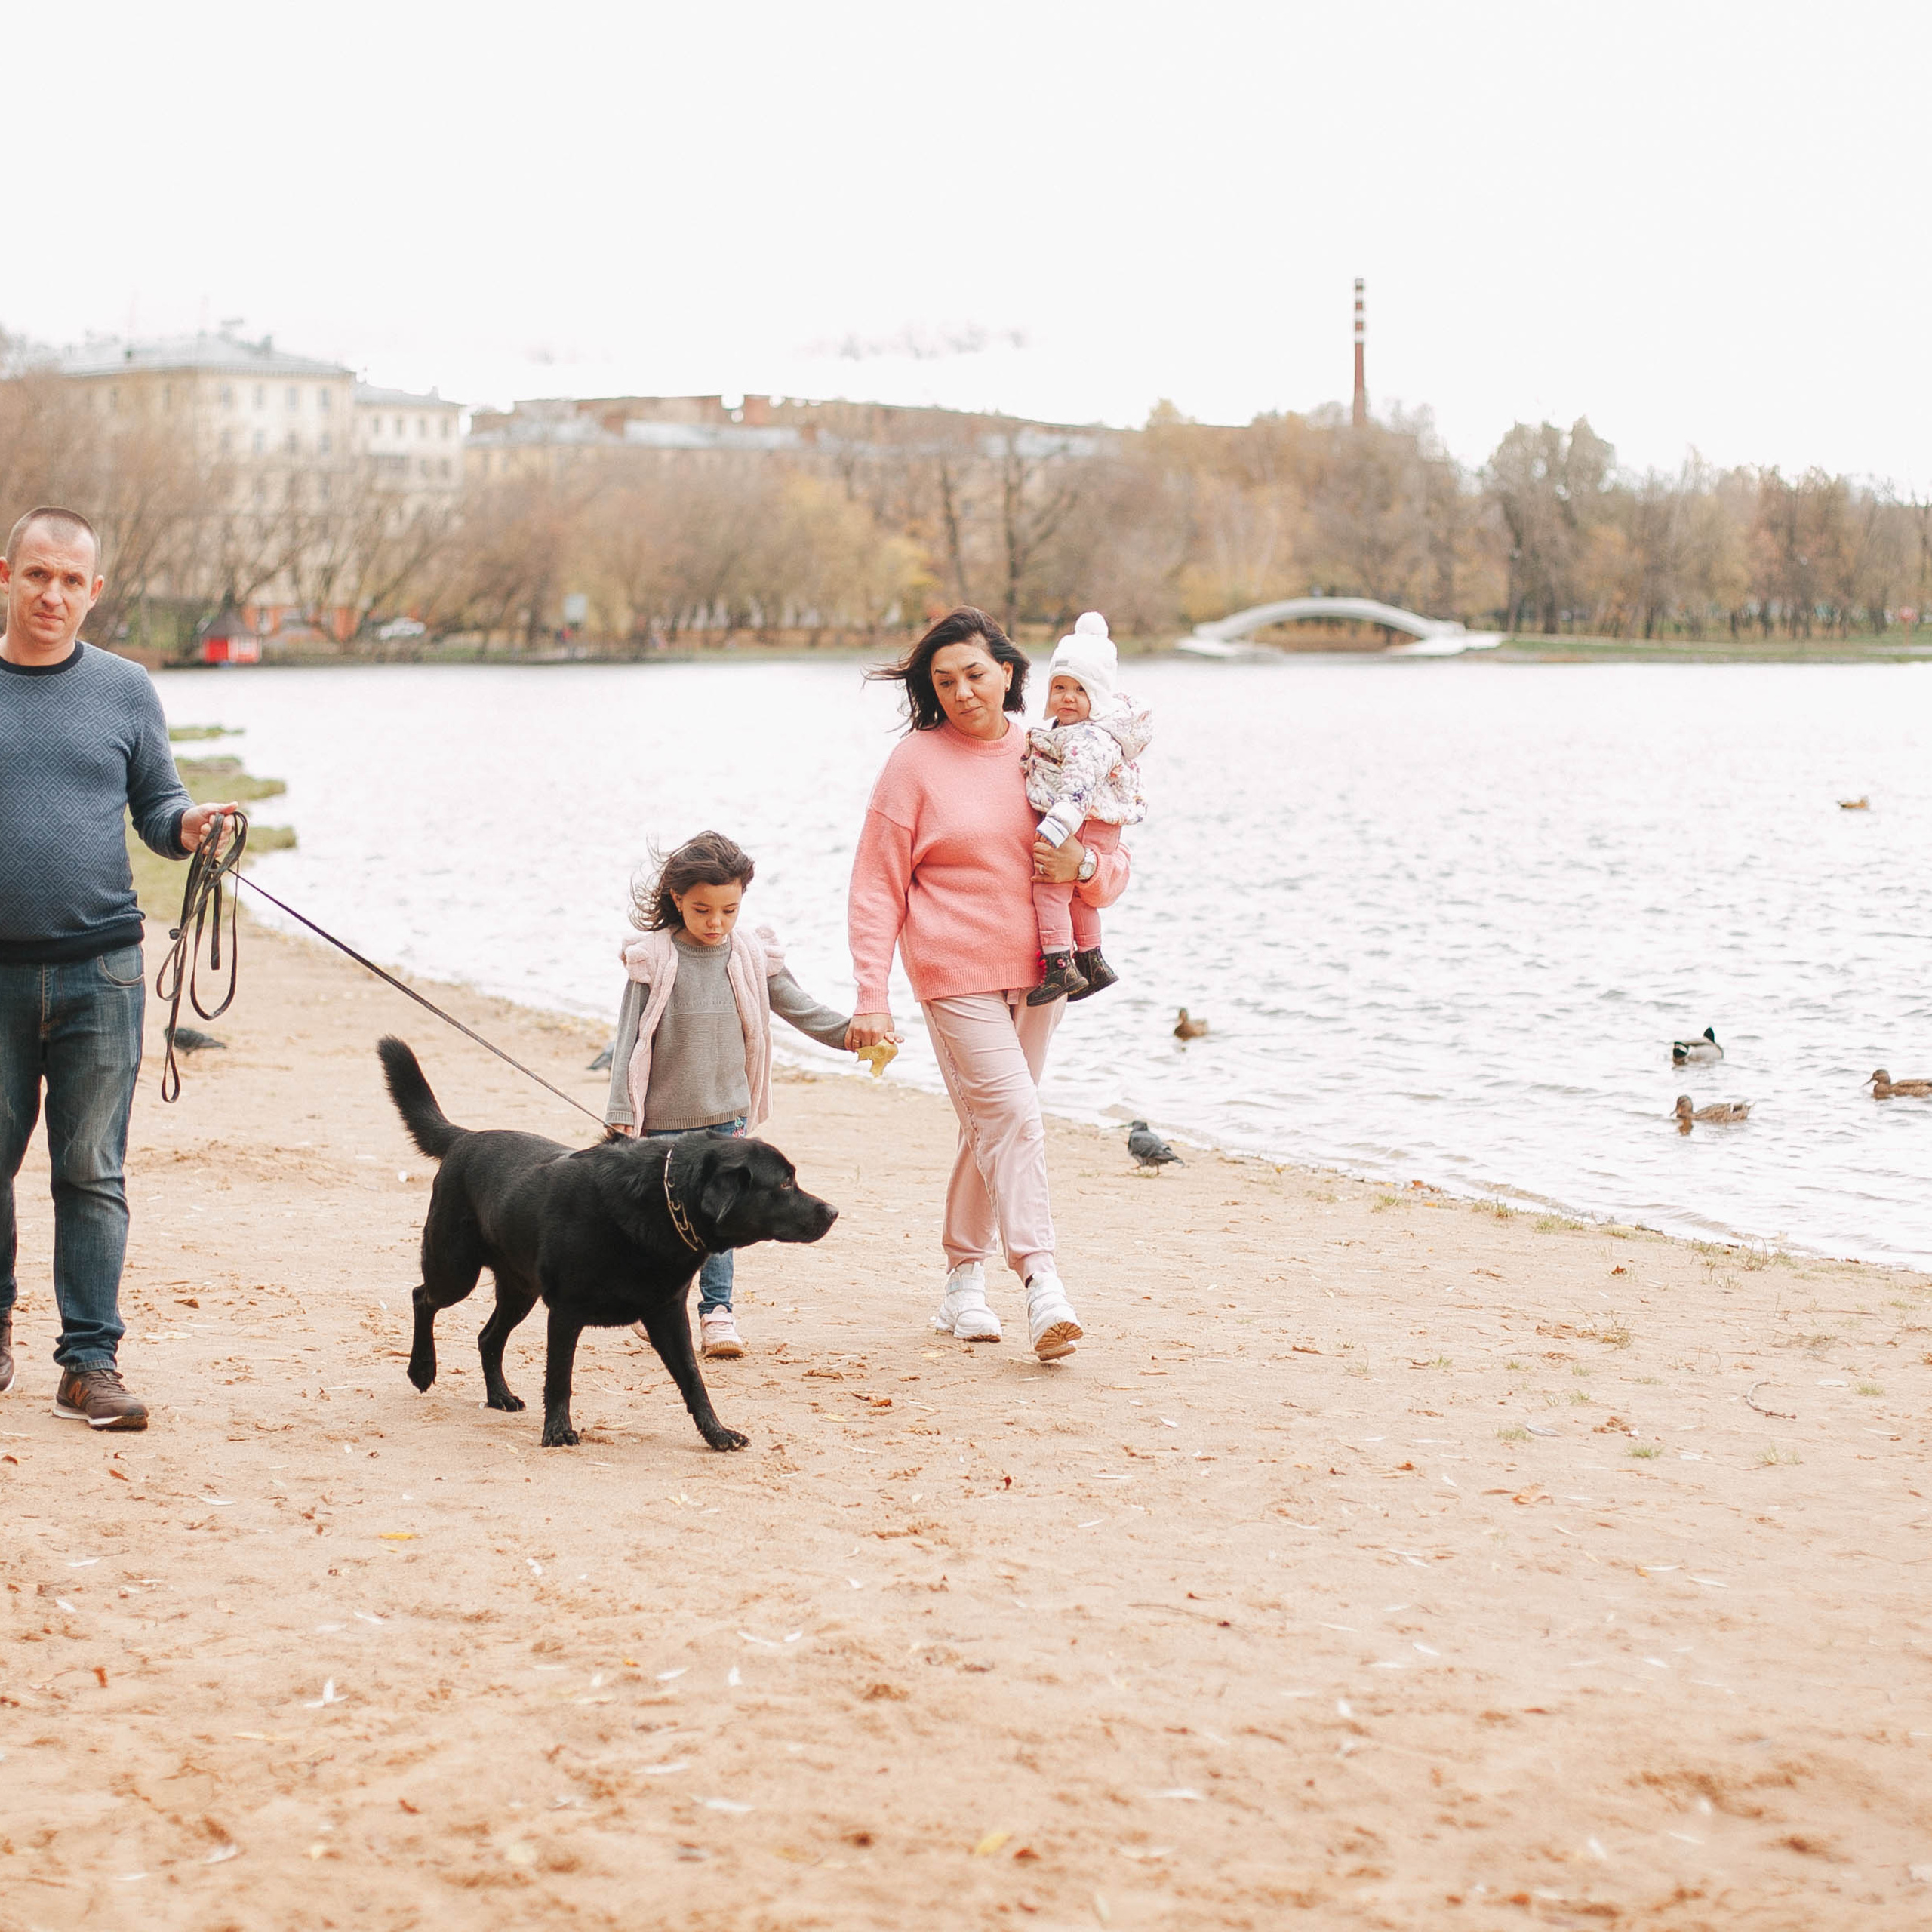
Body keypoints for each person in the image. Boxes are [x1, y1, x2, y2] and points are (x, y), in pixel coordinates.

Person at [0, 506, 236, 1429]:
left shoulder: (126, 689)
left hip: (103, 972)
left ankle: (89, 1362)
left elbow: (158, 806)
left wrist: (190, 828)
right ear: (6, 575)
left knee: (91, 1171)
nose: (53, 594)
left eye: (72, 581)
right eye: (37, 576)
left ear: (94, 591)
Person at [848, 606, 1131, 1360]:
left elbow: (1110, 864)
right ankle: (1042, 1282)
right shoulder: (915, 763)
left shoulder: (1055, 752)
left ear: (1008, 672)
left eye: (974, 674)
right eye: (943, 682)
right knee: (1013, 1115)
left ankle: (961, 1282)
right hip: (952, 973)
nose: (962, 691)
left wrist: (1087, 870)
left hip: (1045, 971)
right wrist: (871, 994)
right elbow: (877, 887)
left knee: (995, 1125)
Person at [602, 830, 854, 1358]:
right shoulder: (655, 958)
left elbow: (798, 1005)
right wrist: (621, 1115)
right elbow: (630, 1038)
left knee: (723, 1220)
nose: (716, 922)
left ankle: (718, 1313)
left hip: (728, 1118)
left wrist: (851, 1033)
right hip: (665, 1121)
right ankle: (656, 1302)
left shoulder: (748, 953)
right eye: (701, 910)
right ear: (677, 899)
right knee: (665, 1222)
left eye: (729, 910)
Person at [1021, 611, 1150, 1004]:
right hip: (1101, 823)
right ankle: (1092, 960)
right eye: (1059, 687)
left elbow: (1077, 788)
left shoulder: (1086, 738)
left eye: (1079, 690)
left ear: (1097, 697)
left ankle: (1060, 965)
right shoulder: (1093, 731)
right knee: (1076, 895)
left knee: (1051, 891)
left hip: (1082, 821)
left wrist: (1055, 828)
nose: (1067, 697)